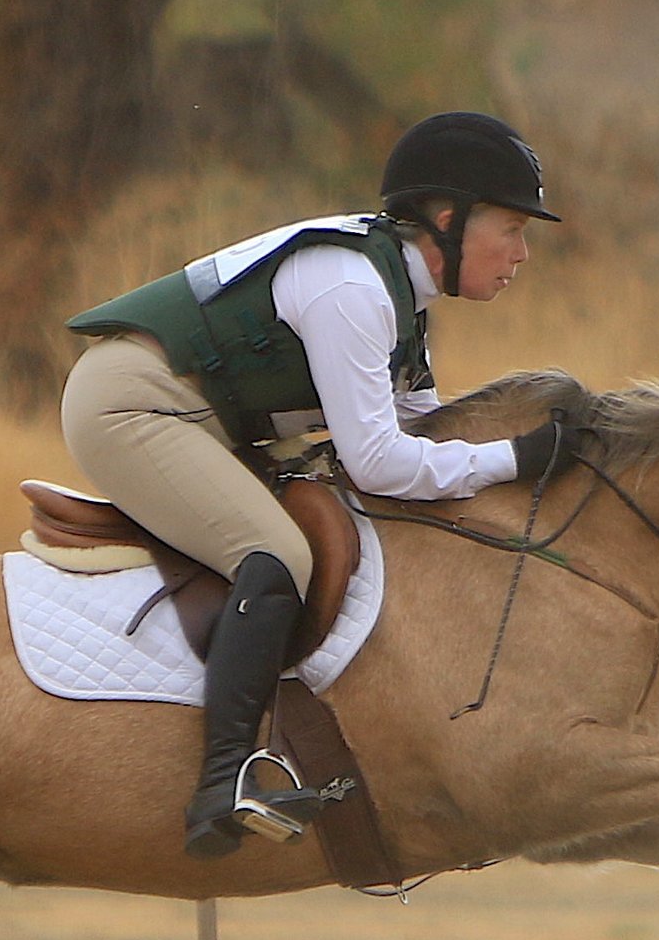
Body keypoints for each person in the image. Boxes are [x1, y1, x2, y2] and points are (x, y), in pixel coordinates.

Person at [62, 110, 584, 858]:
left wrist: (540, 465)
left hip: (195, 415)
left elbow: (423, 437)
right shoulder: (353, 291)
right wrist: (517, 457)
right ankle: (223, 783)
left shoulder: (403, 303)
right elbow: (378, 463)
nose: (522, 253)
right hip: (130, 404)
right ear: (448, 219)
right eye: (511, 228)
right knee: (275, 555)